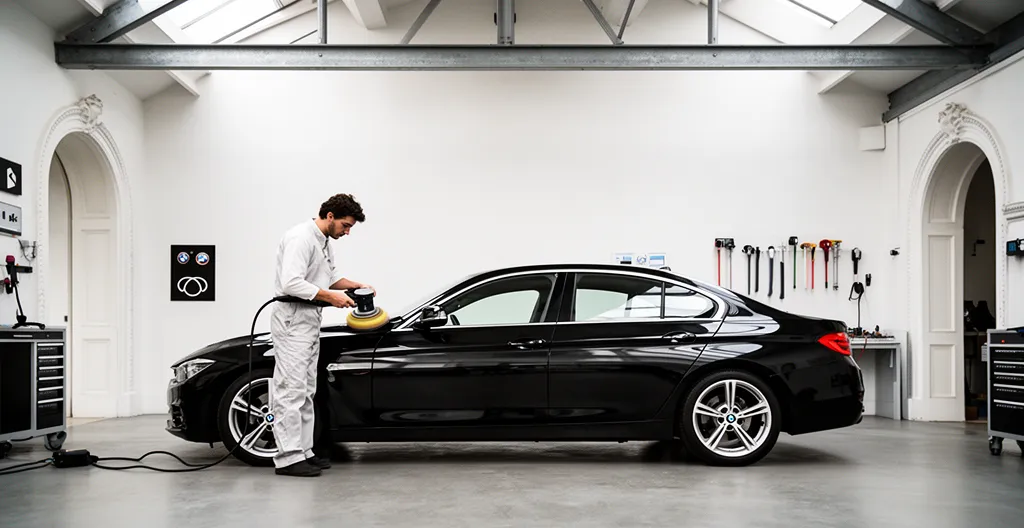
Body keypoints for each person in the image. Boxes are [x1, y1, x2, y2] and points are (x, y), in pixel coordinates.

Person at [269, 193, 374, 477]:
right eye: (345, 225)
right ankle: (288, 458)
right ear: (330, 216)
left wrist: (357, 286)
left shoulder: (324, 241)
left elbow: (330, 278)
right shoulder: (300, 238)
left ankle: (304, 452)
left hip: (309, 319)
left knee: (306, 391)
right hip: (292, 317)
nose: (347, 231)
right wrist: (332, 298)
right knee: (290, 390)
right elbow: (291, 282)